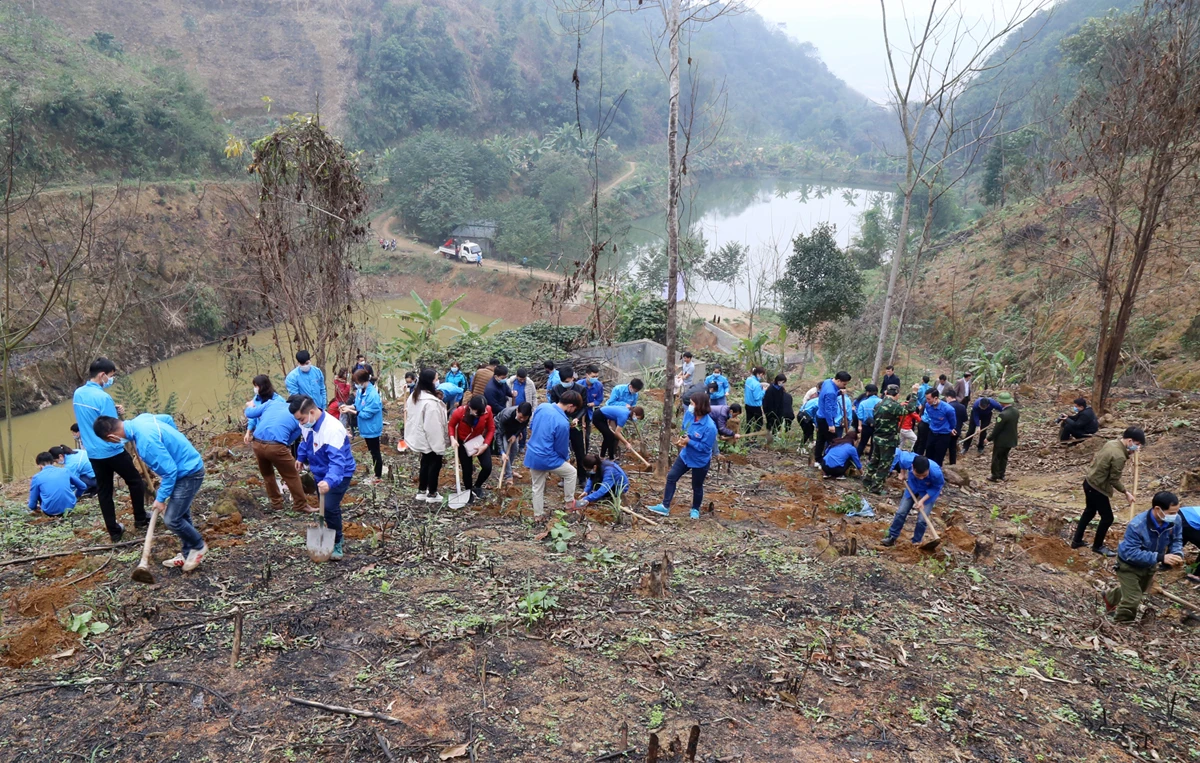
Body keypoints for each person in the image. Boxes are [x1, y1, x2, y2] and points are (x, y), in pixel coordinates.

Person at [95, 413, 207, 570]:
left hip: (189, 473)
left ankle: (198, 546)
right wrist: (173, 446)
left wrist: (160, 499)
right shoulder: (142, 419)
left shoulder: (146, 443)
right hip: (183, 470)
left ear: (112, 437)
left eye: (109, 442)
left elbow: (170, 472)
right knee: (181, 514)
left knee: (172, 520)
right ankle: (188, 553)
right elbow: (168, 419)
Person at [73, 357, 147, 542]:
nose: (111, 380)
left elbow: (92, 416)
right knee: (135, 481)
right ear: (102, 375)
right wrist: (119, 417)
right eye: (111, 376)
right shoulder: (103, 398)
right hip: (112, 450)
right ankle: (140, 518)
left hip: (93, 453)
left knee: (104, 491)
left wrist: (112, 409)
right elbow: (113, 427)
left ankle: (114, 531)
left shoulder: (78, 394)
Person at [291, 396, 355, 561]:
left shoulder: (333, 429)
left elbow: (337, 463)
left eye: (301, 419)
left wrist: (329, 481)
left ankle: (338, 541)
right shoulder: (307, 424)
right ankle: (329, 530)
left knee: (329, 507)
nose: (300, 423)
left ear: (312, 412)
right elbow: (305, 442)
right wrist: (301, 457)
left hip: (340, 473)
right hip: (320, 472)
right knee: (325, 507)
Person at [1104, 492, 1185, 622]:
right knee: (1133, 599)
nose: (1175, 516)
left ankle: (1109, 597)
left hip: (1149, 564)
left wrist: (1177, 553)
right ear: (1157, 509)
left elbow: (1177, 539)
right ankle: (1122, 624)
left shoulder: (1175, 520)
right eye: (1171, 513)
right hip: (1128, 564)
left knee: (1137, 590)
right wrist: (1161, 557)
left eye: (1176, 512)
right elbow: (1131, 553)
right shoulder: (1137, 525)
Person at [1071, 427, 1145, 557]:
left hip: (1089, 482)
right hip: (1097, 488)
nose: (1137, 447)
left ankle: (1076, 541)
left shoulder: (1112, 443)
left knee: (1089, 512)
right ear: (1130, 441)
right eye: (1137, 444)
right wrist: (1126, 492)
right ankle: (1098, 546)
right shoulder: (1119, 456)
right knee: (1107, 518)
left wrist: (1130, 453)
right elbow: (1113, 480)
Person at [648, 391, 718, 520]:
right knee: (671, 477)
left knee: (696, 486)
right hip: (685, 455)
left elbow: (705, 448)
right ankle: (665, 506)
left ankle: (695, 509)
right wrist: (683, 439)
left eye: (692, 404)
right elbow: (685, 430)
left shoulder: (710, 427)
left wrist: (689, 442)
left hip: (700, 460)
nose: (689, 406)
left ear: (700, 406)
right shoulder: (689, 415)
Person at [245, 391, 311, 513]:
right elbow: (290, 439)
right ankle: (300, 505)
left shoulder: (271, 403)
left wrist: (250, 406)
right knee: (292, 475)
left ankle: (276, 504)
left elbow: (250, 413)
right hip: (276, 446)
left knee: (268, 475)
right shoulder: (298, 416)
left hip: (257, 443)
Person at [525, 389, 582, 519]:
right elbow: (561, 447)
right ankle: (569, 503)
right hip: (547, 457)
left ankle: (538, 516)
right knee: (571, 473)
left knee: (537, 486)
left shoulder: (542, 407)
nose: (573, 411)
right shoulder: (562, 423)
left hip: (533, 453)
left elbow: (532, 426)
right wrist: (566, 458)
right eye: (575, 408)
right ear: (570, 405)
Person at [864, 385, 918, 494]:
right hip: (888, 440)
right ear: (897, 394)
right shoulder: (893, 406)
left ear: (886, 393)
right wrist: (914, 393)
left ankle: (867, 482)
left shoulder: (879, 404)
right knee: (884, 465)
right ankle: (876, 488)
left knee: (874, 461)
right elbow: (910, 409)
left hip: (877, 437)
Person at [406, 369, 450, 503]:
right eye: (436, 379)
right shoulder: (431, 403)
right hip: (429, 438)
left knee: (425, 462)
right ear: (430, 381)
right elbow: (433, 427)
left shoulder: (415, 396)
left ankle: (422, 490)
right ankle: (432, 493)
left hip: (419, 436)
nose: (438, 381)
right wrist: (439, 446)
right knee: (434, 464)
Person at [882, 453, 944, 546]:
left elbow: (936, 487)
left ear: (928, 470)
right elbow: (901, 460)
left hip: (928, 492)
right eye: (918, 475)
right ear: (912, 467)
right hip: (912, 487)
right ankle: (892, 536)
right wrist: (902, 473)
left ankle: (916, 542)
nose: (921, 478)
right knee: (901, 512)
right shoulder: (907, 459)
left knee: (922, 520)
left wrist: (922, 501)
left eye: (924, 475)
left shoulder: (936, 473)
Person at [449, 395, 496, 501]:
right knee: (467, 469)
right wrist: (452, 439)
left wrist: (485, 445)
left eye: (482, 413)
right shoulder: (459, 412)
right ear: (470, 408)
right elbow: (451, 425)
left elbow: (491, 428)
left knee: (487, 467)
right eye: (477, 413)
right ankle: (468, 490)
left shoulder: (488, 410)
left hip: (478, 441)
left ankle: (477, 486)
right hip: (463, 442)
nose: (481, 415)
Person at [549, 367, 589, 481]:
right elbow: (553, 406)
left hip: (575, 424)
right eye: (563, 381)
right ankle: (564, 477)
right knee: (561, 450)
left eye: (567, 381)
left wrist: (577, 418)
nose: (565, 384)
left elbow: (584, 407)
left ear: (573, 378)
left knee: (580, 450)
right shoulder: (556, 389)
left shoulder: (581, 389)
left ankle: (582, 477)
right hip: (561, 424)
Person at [347, 369, 384, 481]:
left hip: (372, 427)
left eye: (356, 382)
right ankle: (376, 474)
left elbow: (366, 414)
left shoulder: (373, 395)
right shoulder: (360, 391)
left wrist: (351, 411)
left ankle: (378, 476)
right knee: (372, 451)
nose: (355, 385)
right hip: (365, 427)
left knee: (375, 452)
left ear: (362, 381)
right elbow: (357, 405)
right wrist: (347, 407)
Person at [814, 371, 852, 466]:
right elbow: (828, 410)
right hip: (826, 419)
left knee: (821, 439)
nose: (844, 386)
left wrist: (839, 393)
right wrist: (830, 425)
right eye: (844, 384)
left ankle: (818, 460)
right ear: (838, 380)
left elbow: (828, 397)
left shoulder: (827, 381)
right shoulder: (830, 392)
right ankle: (829, 462)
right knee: (834, 441)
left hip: (820, 416)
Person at [495, 403, 533, 484]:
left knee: (515, 449)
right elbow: (499, 434)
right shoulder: (506, 416)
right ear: (517, 411)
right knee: (506, 452)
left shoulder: (527, 416)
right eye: (520, 417)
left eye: (525, 418)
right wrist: (502, 452)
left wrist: (515, 435)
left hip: (512, 430)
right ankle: (509, 476)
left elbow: (523, 425)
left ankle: (508, 470)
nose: (522, 419)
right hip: (501, 428)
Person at [986, 391, 1020, 482]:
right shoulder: (1015, 412)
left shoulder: (1003, 414)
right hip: (1011, 440)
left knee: (996, 458)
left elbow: (997, 429)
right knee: (1004, 457)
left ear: (1002, 402)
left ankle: (994, 475)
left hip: (1001, 441)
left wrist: (989, 438)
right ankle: (1001, 474)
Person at [921, 388, 956, 467]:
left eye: (929, 399)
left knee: (938, 457)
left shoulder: (948, 409)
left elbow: (953, 423)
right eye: (926, 399)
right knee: (928, 455)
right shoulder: (928, 406)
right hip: (932, 432)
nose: (927, 401)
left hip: (943, 435)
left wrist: (949, 429)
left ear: (935, 398)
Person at [942, 389, 968, 466]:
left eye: (946, 397)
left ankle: (940, 463)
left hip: (947, 430)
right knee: (952, 448)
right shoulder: (962, 407)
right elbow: (965, 418)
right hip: (957, 430)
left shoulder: (947, 406)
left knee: (943, 447)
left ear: (949, 397)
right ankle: (952, 463)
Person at [855, 384, 882, 457]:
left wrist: (859, 426)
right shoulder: (881, 402)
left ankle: (856, 458)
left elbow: (860, 416)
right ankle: (871, 459)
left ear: (868, 392)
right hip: (877, 426)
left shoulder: (863, 403)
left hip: (866, 426)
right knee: (874, 444)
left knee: (862, 443)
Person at [583, 365, 605, 446]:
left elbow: (599, 399)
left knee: (587, 435)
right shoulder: (579, 384)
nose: (595, 378)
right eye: (593, 376)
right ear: (587, 375)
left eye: (596, 376)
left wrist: (592, 404)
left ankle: (586, 450)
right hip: (578, 412)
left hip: (589, 412)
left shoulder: (598, 385)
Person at [742, 367, 767, 432]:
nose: (762, 376)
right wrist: (764, 391)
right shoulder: (756, 384)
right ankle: (754, 436)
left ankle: (747, 434)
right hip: (755, 407)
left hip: (747, 404)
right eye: (762, 375)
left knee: (749, 422)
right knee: (759, 422)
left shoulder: (748, 379)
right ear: (758, 374)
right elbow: (757, 397)